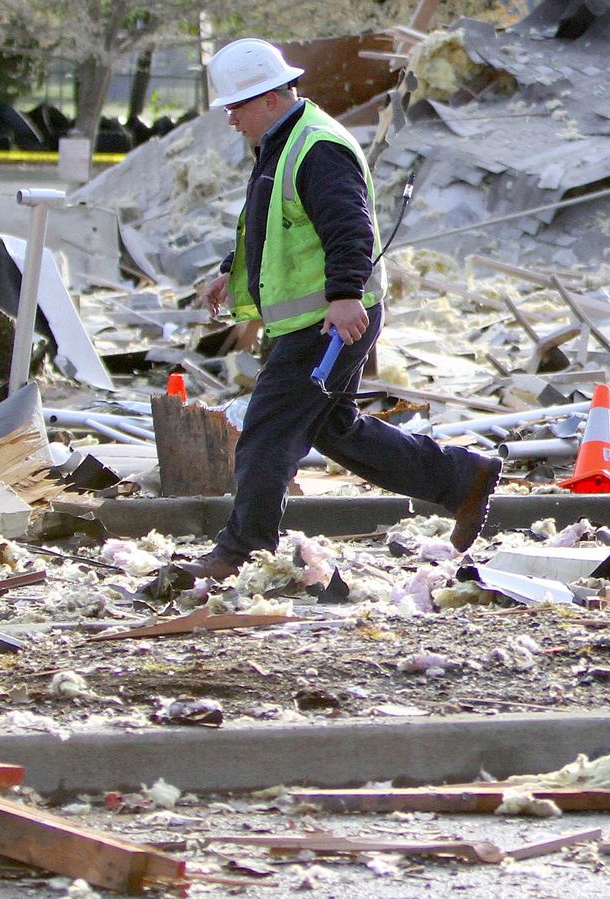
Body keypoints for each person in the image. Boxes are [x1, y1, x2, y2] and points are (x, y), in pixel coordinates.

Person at [179, 38, 497, 582]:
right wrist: (230, 272)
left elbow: (351, 228)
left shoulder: (317, 147)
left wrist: (346, 294)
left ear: (272, 98)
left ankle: (240, 552)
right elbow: (279, 225)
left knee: (268, 430)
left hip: (329, 322)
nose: (230, 120)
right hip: (319, 319)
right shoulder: (284, 144)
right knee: (336, 429)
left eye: (236, 107)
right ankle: (460, 478)